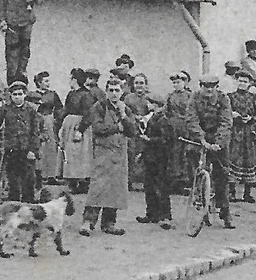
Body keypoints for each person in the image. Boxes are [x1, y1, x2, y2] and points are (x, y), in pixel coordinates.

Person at [80, 77, 138, 235]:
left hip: (119, 153)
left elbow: (132, 131)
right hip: (103, 152)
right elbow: (98, 128)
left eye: (117, 90)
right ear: (106, 92)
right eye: (111, 90)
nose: (114, 94)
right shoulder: (98, 107)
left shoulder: (126, 109)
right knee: (98, 187)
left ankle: (109, 223)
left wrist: (124, 117)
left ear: (122, 92)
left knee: (115, 188)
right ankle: (88, 222)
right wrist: (116, 127)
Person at [0, 81, 41, 201]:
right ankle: (14, 204)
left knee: (28, 179)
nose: (17, 97)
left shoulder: (31, 110)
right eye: (14, 94)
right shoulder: (6, 109)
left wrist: (33, 150)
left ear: (25, 95)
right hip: (11, 149)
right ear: (11, 96)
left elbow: (35, 132)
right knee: (13, 179)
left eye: (20, 94)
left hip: (26, 150)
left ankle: (28, 205)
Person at [191, 73, 234, 229]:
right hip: (199, 138)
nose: (209, 90)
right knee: (197, 171)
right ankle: (199, 204)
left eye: (212, 87)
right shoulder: (194, 98)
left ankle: (225, 211)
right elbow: (192, 119)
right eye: (205, 86)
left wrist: (219, 143)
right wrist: (201, 139)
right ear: (201, 87)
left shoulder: (223, 99)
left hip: (218, 140)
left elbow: (226, 121)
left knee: (222, 175)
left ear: (217, 87)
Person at [0, 0, 43, 84]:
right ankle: (12, 79)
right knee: (12, 51)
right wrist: (2, 20)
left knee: (25, 50)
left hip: (27, 21)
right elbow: (1, 2)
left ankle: (22, 74)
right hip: (12, 22)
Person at [137, 93, 180, 229]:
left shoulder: (163, 120)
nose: (147, 105)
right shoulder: (155, 118)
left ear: (155, 104)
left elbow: (165, 140)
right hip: (151, 157)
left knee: (161, 187)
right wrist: (142, 153)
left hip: (160, 159)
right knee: (149, 186)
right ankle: (151, 214)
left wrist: (149, 140)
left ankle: (165, 216)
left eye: (149, 102)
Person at [226, 70, 256, 203]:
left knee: (249, 161)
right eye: (240, 81)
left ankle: (248, 193)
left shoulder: (254, 97)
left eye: (245, 81)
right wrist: (232, 115)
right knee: (234, 159)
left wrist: (251, 118)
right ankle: (231, 192)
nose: (242, 83)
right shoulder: (229, 97)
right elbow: (224, 112)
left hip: (248, 133)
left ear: (250, 83)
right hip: (234, 132)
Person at [60, 69, 96, 194]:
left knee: (81, 154)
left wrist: (80, 130)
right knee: (70, 154)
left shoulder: (86, 95)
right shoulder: (71, 94)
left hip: (80, 127)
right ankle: (72, 182)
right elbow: (66, 110)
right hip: (69, 126)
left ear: (75, 79)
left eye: (71, 78)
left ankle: (83, 182)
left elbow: (89, 114)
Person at [30, 72, 63, 185]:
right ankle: (39, 174)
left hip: (49, 121)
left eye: (48, 81)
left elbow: (59, 109)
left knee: (51, 146)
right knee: (39, 147)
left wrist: (57, 121)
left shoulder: (53, 94)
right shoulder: (32, 95)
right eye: (45, 81)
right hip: (36, 121)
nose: (48, 84)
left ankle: (51, 175)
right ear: (39, 83)